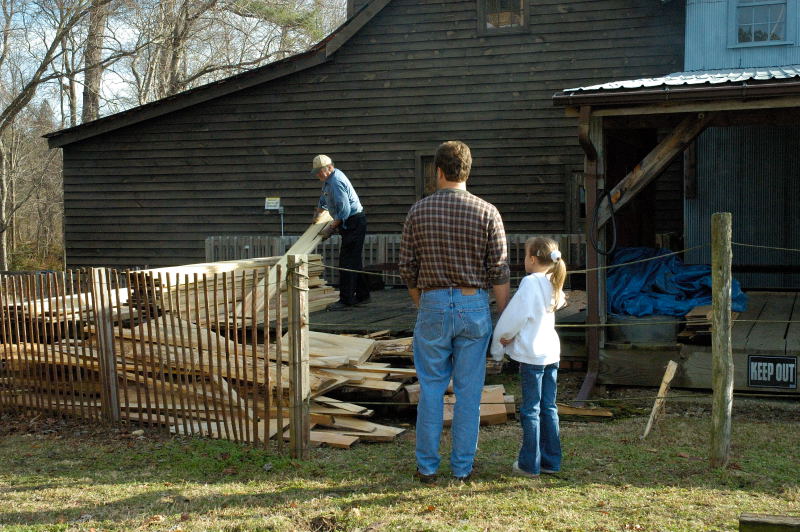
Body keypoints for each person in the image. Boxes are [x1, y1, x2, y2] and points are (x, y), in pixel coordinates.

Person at [399, 140, 510, 483]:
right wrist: (504, 318)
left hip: (432, 300)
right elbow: (500, 272)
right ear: (467, 171)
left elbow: (407, 268)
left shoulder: (418, 211)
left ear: (438, 171)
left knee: (431, 388)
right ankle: (462, 468)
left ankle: (427, 467)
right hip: (473, 304)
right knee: (469, 391)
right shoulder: (487, 211)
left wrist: (423, 302)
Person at [490, 237, 567, 478]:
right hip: (551, 353)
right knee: (549, 408)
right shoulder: (553, 280)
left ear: (532, 259)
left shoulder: (530, 282)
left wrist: (500, 341)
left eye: (525, 256)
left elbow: (516, 316)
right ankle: (551, 461)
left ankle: (529, 464)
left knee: (531, 410)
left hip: (532, 356)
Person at [311, 154, 370, 311]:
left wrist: (331, 227)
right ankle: (363, 295)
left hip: (354, 221)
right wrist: (317, 216)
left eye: (319, 172)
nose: (317, 175)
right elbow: (324, 200)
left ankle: (346, 300)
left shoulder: (336, 181)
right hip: (351, 222)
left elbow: (344, 210)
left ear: (329, 168)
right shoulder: (328, 182)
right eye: (316, 172)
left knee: (347, 262)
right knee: (354, 260)